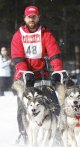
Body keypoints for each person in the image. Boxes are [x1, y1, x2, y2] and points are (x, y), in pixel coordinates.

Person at [11, 5, 66, 139]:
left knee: (53, 102)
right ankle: (24, 133)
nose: (32, 19)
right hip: (23, 74)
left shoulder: (45, 33)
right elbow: (17, 56)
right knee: (24, 105)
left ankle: (58, 133)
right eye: (29, 17)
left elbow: (54, 52)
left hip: (42, 73)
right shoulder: (18, 35)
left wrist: (57, 70)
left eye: (34, 17)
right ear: (25, 18)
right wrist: (24, 71)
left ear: (38, 17)